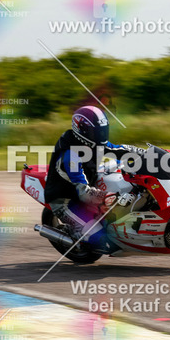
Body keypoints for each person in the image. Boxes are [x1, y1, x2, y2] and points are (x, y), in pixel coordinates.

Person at [44, 105, 143, 250]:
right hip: (66, 201)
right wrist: (111, 197)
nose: (101, 135)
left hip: (89, 183)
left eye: (103, 130)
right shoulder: (71, 156)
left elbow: (118, 150)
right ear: (82, 131)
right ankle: (77, 236)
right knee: (102, 241)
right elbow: (84, 193)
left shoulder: (92, 143)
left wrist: (148, 154)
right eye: (96, 132)